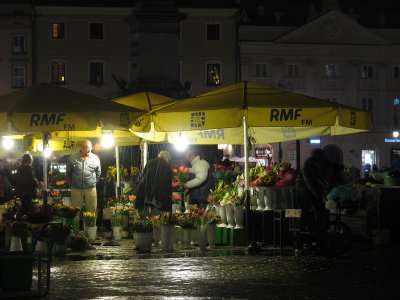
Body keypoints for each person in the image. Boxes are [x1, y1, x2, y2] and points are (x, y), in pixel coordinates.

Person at [294, 149, 330, 253]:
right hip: (303, 192)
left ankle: (316, 239)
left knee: (321, 213)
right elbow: (310, 182)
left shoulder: (320, 163)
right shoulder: (307, 165)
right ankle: (299, 244)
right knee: (303, 216)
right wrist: (318, 195)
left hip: (311, 192)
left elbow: (321, 178)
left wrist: (326, 187)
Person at [66, 139, 101, 217]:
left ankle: (91, 228)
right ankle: (75, 229)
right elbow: (68, 173)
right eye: (86, 147)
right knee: (75, 212)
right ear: (81, 148)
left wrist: (93, 183)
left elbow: (98, 173)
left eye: (90, 147)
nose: (88, 149)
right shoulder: (72, 158)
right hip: (76, 189)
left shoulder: (95, 158)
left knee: (92, 212)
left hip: (91, 189)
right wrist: (73, 184)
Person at [135, 150, 173, 214]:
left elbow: (142, 177)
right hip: (157, 199)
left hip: (144, 195)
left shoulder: (150, 163)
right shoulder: (166, 167)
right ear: (167, 158)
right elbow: (167, 186)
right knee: (156, 218)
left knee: (143, 217)